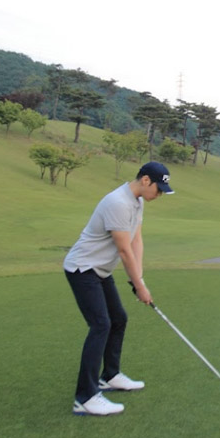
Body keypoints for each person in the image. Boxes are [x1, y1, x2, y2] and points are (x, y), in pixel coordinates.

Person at [63, 161, 174, 416]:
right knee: (101, 324)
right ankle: (86, 397)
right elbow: (124, 251)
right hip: (82, 269)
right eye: (159, 189)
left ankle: (109, 376)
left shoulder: (137, 202)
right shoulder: (118, 203)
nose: (160, 194)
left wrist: (141, 279)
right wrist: (138, 286)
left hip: (99, 269)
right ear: (145, 180)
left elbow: (136, 239)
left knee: (118, 319)